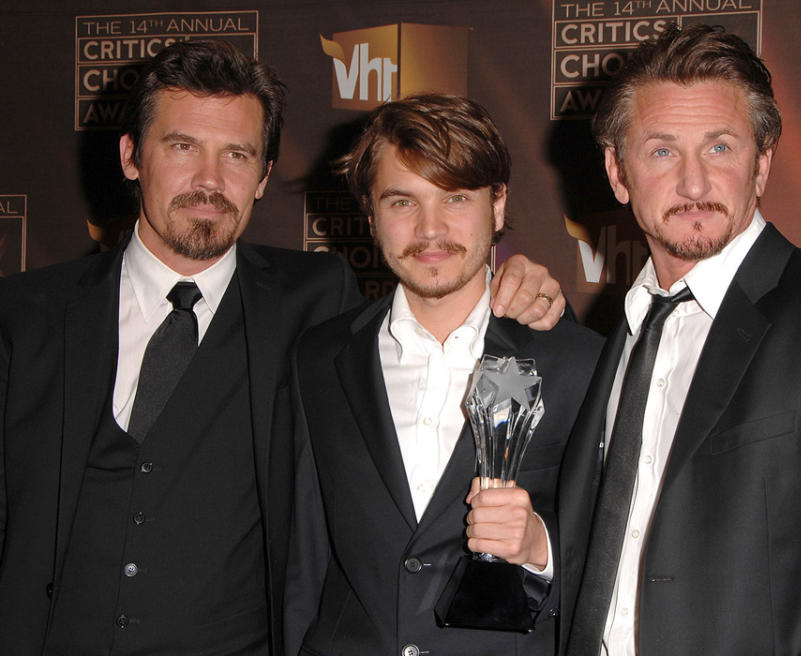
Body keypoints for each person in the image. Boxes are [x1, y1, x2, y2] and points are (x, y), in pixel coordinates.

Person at [0, 41, 564, 656]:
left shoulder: (316, 300)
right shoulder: (27, 316)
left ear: (265, 174)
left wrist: (511, 276)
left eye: (236, 155)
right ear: (131, 156)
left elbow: (440, 290)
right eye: (182, 146)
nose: (209, 181)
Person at [559, 24, 801, 656]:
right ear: (617, 171)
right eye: (662, 151)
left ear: (762, 162)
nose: (694, 184)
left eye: (719, 148)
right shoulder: (625, 333)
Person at [287, 94, 602, 655]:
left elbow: (619, 546)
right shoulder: (320, 359)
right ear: (370, 213)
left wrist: (540, 545)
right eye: (403, 201)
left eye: (456, 198)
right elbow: (304, 559)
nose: (431, 230)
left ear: (498, 205)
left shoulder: (578, 362)